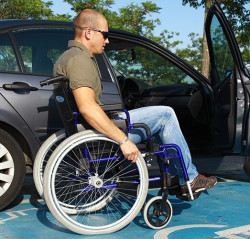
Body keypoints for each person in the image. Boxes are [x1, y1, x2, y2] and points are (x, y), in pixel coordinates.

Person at [53, 9, 217, 196]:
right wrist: (123, 141)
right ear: (89, 32)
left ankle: (175, 177)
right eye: (105, 35)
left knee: (153, 120)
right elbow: (87, 108)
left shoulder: (67, 57)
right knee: (165, 115)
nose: (107, 41)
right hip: (99, 134)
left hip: (91, 128)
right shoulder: (80, 60)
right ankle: (189, 178)